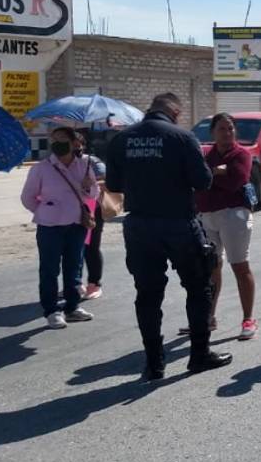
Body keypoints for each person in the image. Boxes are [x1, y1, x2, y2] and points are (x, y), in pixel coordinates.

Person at [106, 93, 232, 380]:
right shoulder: (182, 137)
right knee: (199, 288)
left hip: (139, 226)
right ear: (174, 111)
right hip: (178, 223)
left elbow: (113, 184)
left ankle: (154, 363)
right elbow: (203, 181)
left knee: (148, 295)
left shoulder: (122, 140)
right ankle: (199, 356)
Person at [185, 113, 258, 340]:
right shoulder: (208, 155)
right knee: (211, 268)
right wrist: (217, 172)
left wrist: (213, 175)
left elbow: (235, 181)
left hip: (233, 215)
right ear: (213, 133)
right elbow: (198, 182)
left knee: (239, 266)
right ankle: (209, 317)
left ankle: (248, 319)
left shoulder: (242, 155)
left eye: (230, 129)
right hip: (207, 216)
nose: (227, 133)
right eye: (221, 129)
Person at [20, 126, 98, 329]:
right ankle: (52, 310)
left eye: (62, 139)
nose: (57, 143)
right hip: (50, 226)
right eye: (53, 140)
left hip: (76, 224)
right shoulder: (42, 168)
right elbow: (27, 198)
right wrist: (46, 210)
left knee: (74, 267)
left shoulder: (84, 164)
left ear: (74, 143)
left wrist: (89, 185)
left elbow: (93, 195)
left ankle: (72, 307)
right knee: (49, 269)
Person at [76, 131, 106, 301]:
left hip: (92, 208)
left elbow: (107, 179)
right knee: (73, 248)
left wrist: (92, 183)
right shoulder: (60, 163)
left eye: (76, 144)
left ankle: (94, 283)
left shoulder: (91, 161)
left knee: (90, 247)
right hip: (70, 209)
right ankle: (75, 282)